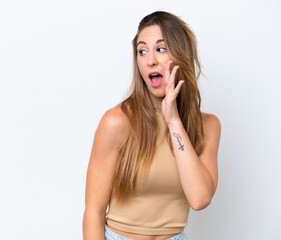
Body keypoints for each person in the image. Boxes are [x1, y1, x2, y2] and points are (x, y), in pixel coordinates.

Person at [83, 11, 221, 240]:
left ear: (181, 55)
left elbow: (199, 198)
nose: (150, 61)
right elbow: (93, 214)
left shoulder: (207, 125)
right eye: (142, 51)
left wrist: (174, 121)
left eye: (161, 49)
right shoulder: (117, 122)